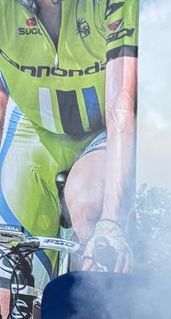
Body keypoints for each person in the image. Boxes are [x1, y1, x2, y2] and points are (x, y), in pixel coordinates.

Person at [0, 0, 138, 272]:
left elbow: (120, 107)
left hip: (100, 131)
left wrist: (110, 223)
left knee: (88, 209)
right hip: (33, 128)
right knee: (7, 279)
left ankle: (91, 284)